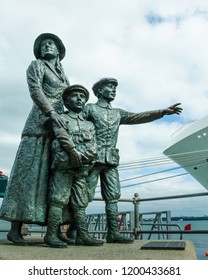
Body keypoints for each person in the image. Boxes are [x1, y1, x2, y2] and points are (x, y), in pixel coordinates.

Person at [84, 77, 183, 243]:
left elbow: (138, 117)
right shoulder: (89, 109)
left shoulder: (117, 113)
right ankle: (74, 229)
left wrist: (162, 112)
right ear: (99, 91)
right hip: (92, 159)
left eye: (115, 87)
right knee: (84, 194)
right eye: (110, 86)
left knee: (113, 196)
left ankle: (113, 233)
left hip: (111, 161)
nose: (114, 89)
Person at [0, 33, 70, 244]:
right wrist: (50, 112)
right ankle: (15, 228)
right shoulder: (36, 65)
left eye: (51, 44)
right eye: (44, 44)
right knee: (28, 174)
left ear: (59, 51)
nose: (47, 46)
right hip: (38, 125)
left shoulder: (64, 76)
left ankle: (53, 229)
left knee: (52, 178)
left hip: (57, 128)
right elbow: (35, 90)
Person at [44, 84, 104, 248]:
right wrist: (73, 153)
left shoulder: (89, 125)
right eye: (74, 95)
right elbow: (61, 137)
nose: (79, 98)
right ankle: (50, 235)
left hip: (81, 169)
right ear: (65, 100)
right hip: (64, 168)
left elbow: (93, 148)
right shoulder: (60, 118)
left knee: (80, 202)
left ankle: (82, 236)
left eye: (82, 96)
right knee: (58, 200)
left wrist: (79, 157)